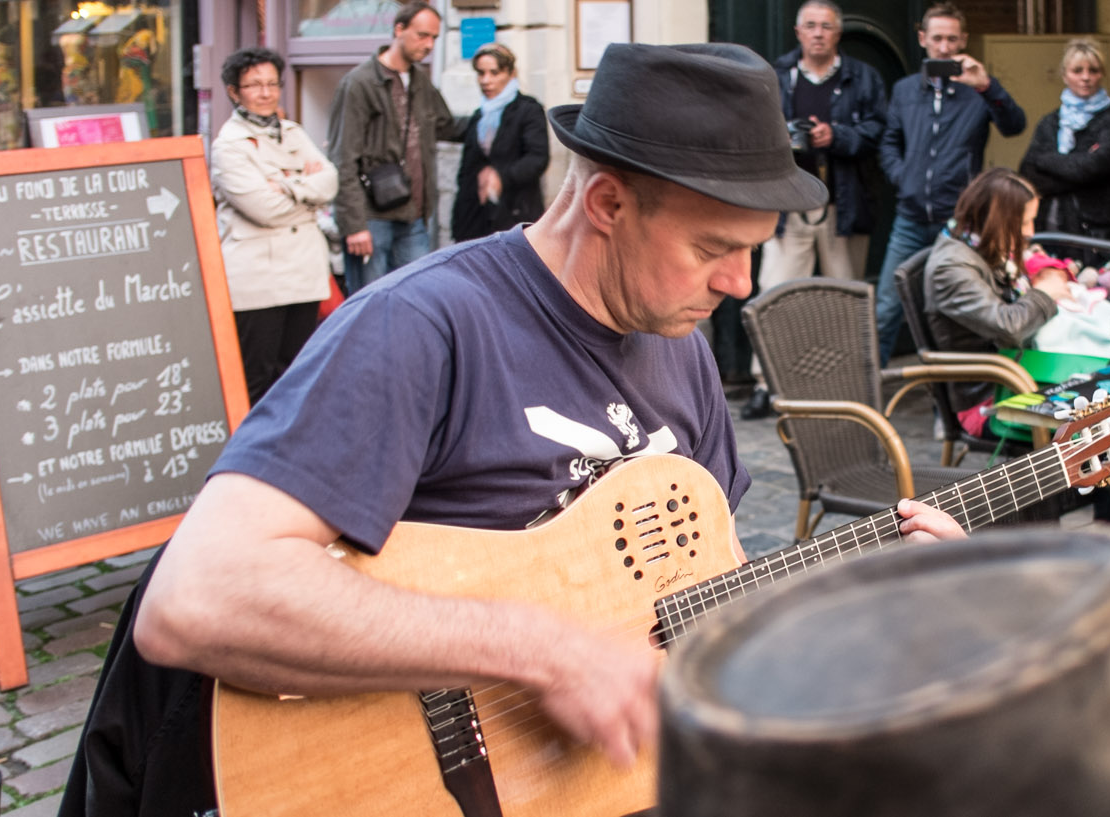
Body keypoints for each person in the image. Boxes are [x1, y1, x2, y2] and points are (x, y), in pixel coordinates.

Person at [57, 43, 963, 817]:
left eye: (754, 248)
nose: (740, 283)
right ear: (606, 202)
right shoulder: (424, 327)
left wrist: (869, 605)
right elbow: (198, 598)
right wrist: (541, 648)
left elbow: (713, 599)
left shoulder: (676, 342)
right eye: (713, 247)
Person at [740, 0, 887, 419]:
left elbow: (880, 131)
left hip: (843, 204)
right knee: (773, 295)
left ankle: (844, 388)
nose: (819, 33)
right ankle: (766, 385)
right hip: (786, 207)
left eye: (826, 26)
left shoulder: (863, 77)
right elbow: (751, 127)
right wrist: (783, 139)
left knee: (844, 298)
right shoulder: (776, 75)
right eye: (811, 26)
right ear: (798, 31)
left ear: (839, 33)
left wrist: (835, 136)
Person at [874, 2, 1026, 366]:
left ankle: (951, 401)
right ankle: (869, 398)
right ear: (923, 38)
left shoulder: (978, 90)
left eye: (952, 40)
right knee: (885, 309)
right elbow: (889, 141)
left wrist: (988, 85)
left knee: (956, 313)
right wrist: (902, 176)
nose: (944, 48)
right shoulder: (906, 89)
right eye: (938, 38)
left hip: (958, 225)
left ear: (964, 41)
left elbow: (1014, 124)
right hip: (910, 219)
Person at [209, 47, 337, 404]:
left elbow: (331, 182)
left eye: (272, 84)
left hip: (303, 274)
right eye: (254, 85)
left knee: (297, 375)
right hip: (258, 280)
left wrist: (284, 184)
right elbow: (263, 208)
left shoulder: (294, 132)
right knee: (257, 380)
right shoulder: (228, 146)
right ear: (235, 92)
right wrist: (307, 194)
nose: (266, 93)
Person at [326, 0, 464, 294]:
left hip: (414, 216)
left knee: (416, 298)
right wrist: (354, 224)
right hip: (372, 218)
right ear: (398, 29)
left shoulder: (419, 81)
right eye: (422, 35)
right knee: (370, 302)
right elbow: (342, 158)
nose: (428, 45)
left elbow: (448, 126)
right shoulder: (359, 83)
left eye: (434, 38)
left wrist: (506, 118)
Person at [923, 168, 1068, 436]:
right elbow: (1008, 326)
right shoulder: (951, 268)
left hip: (1018, 376)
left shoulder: (982, 245)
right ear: (997, 221)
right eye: (1024, 223)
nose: (1030, 233)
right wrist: (1045, 292)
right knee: (1106, 424)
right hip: (990, 399)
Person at [1017, 38, 1110, 258]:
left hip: (1093, 230)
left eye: (1093, 70)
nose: (1086, 77)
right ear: (1065, 75)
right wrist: (1078, 170)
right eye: (1078, 70)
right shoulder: (1050, 121)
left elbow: (1094, 167)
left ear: (1103, 74)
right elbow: (1028, 173)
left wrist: (1046, 161)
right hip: (1048, 226)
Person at [451, 42, 550, 242]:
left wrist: (501, 177)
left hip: (514, 213)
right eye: (481, 73)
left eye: (494, 73)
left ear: (511, 73)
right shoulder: (479, 115)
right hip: (476, 219)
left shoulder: (528, 109)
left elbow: (537, 158)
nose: (486, 81)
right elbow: (467, 168)